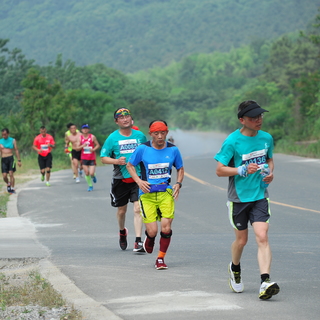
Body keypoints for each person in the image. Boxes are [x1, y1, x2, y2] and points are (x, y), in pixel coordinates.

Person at [214, 100, 280, 300]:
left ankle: (265, 282)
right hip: (239, 199)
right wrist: (240, 170)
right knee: (242, 240)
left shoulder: (266, 138)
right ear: (242, 120)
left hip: (260, 195)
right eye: (253, 118)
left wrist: (270, 172)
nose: (259, 120)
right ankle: (234, 268)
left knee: (262, 236)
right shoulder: (232, 141)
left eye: (260, 116)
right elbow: (219, 170)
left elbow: (269, 159)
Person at [127, 120, 184, 270]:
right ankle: (150, 237)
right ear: (150, 134)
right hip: (147, 194)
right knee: (153, 231)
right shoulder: (142, 149)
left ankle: (160, 258)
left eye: (162, 133)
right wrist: (139, 181)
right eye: (156, 133)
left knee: (166, 228)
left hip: (165, 192)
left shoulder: (173, 150)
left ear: (167, 132)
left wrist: (178, 183)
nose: (160, 136)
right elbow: (130, 165)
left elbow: (180, 168)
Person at [100, 108, 147, 252]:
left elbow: (147, 154)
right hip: (121, 179)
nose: (125, 119)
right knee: (121, 211)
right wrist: (116, 161)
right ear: (116, 121)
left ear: (131, 119)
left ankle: (138, 241)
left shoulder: (140, 136)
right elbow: (103, 158)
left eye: (127, 116)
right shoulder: (112, 138)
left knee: (138, 209)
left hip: (138, 178)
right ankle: (122, 231)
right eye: (121, 117)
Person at [75, 124, 100, 192]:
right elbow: (77, 148)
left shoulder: (92, 137)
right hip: (84, 157)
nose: (85, 130)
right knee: (86, 172)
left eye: (86, 128)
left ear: (88, 129)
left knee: (91, 173)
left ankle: (93, 176)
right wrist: (82, 145)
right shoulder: (80, 138)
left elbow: (98, 145)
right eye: (84, 129)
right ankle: (90, 186)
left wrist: (94, 149)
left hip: (91, 157)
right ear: (81, 130)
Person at [0, 128, 22, 193]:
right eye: (2, 135)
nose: (4, 136)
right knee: (4, 175)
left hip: (10, 158)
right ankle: (8, 183)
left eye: (5, 134)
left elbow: (16, 150)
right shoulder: (0, 141)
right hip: (4, 159)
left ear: (8, 134)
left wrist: (19, 160)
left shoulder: (13, 140)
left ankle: (12, 188)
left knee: (11, 173)